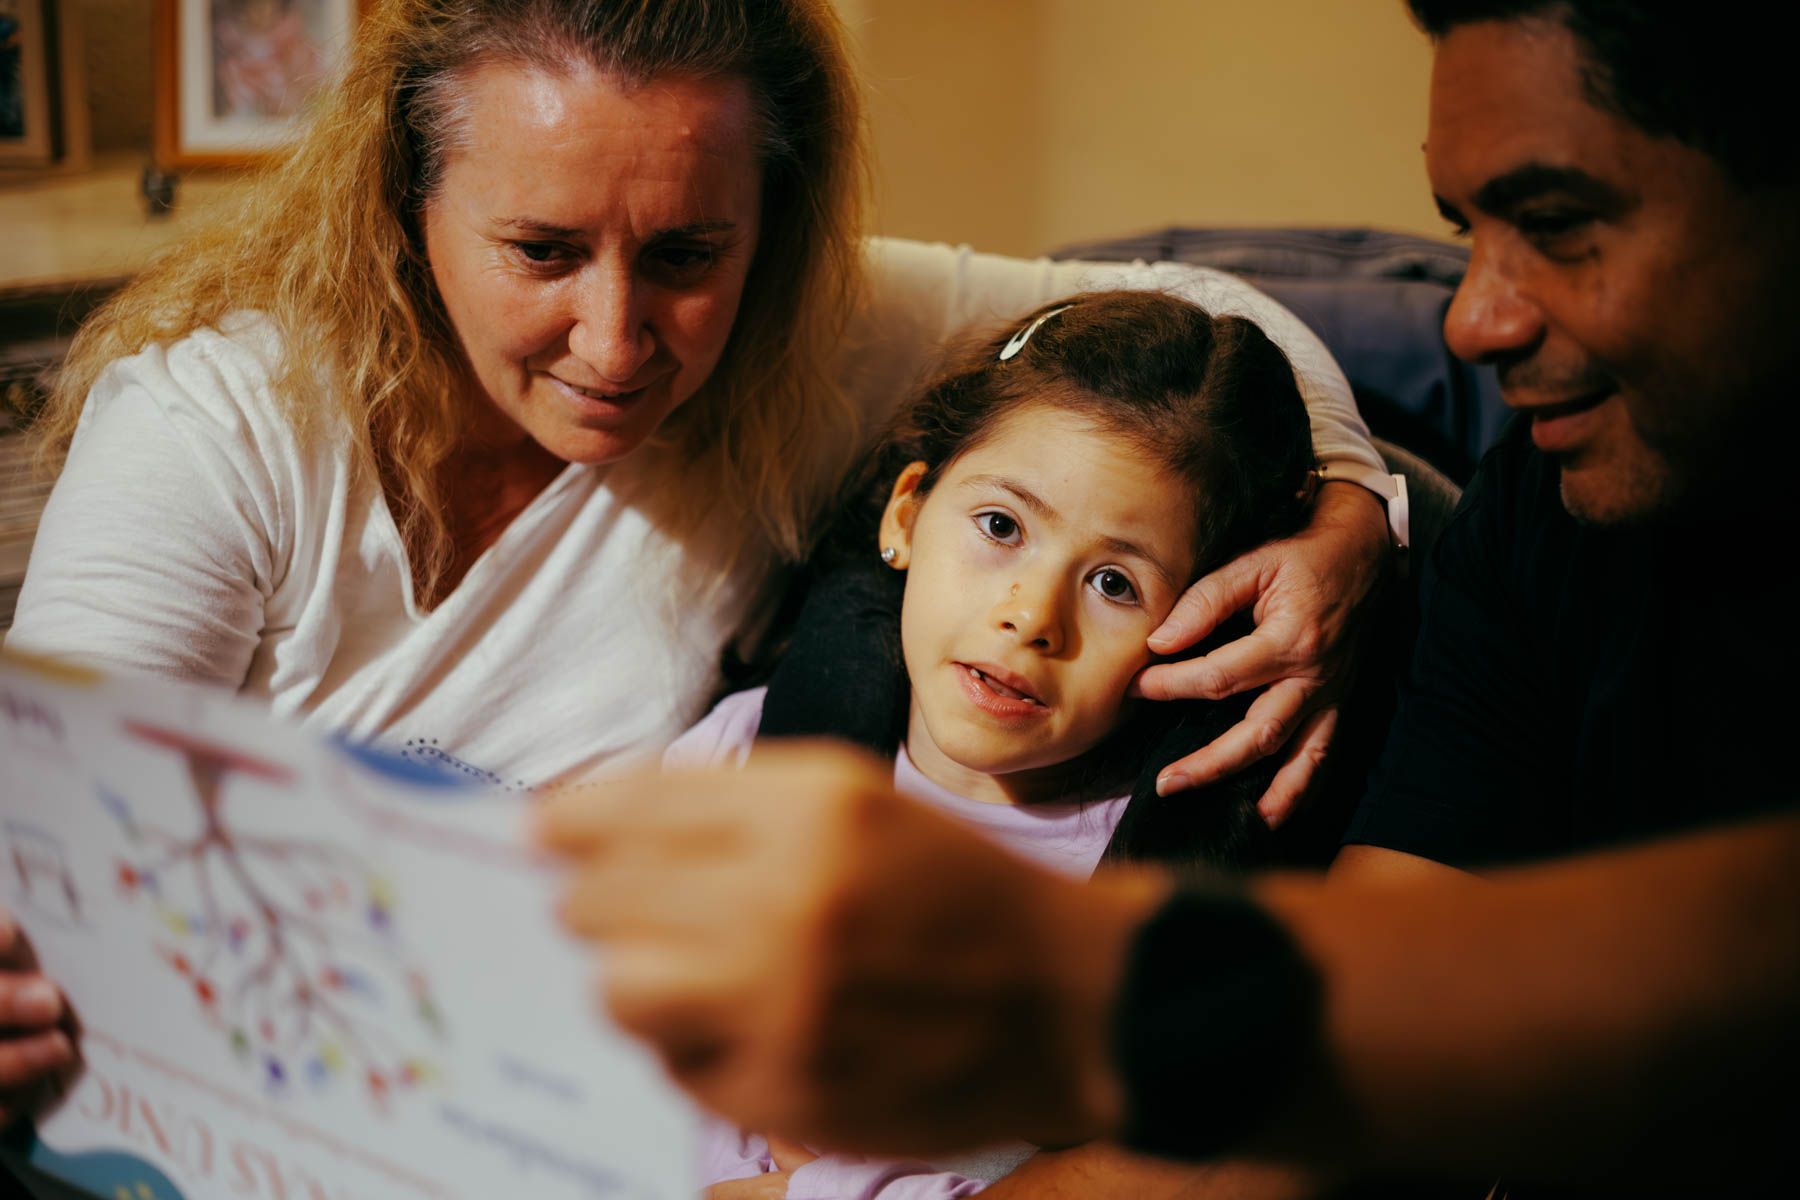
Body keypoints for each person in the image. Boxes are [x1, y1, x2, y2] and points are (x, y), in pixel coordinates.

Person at [0, 0, 1397, 1152]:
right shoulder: (218, 434)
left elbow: (1212, 311)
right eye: (541, 253)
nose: (616, 344)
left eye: (686, 255)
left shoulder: (806, 355)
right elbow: (44, 849)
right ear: (405, 206)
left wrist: (1347, 518)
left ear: (768, 227)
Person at [538, 0, 1799, 1193]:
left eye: (1566, 226)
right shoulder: (1534, 528)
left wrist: (1040, 979)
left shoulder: (1166, 837)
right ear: (909, 514)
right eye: (1470, 234)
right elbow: (1367, 1025)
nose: (1472, 323)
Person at [679, 290, 1319, 1197]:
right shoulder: (750, 750)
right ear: (906, 516)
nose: (1031, 616)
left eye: (1113, 583)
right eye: (1001, 528)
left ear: (1208, 629)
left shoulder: (1132, 896)